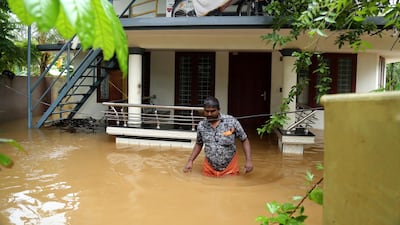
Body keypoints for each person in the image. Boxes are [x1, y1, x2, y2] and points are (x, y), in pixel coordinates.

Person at [183, 96, 253, 177]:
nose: (209, 114)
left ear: (219, 110)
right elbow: (199, 143)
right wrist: (190, 161)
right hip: (209, 168)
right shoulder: (201, 125)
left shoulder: (231, 122)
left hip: (230, 167)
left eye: (212, 111)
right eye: (207, 111)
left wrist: (249, 160)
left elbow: (244, 139)